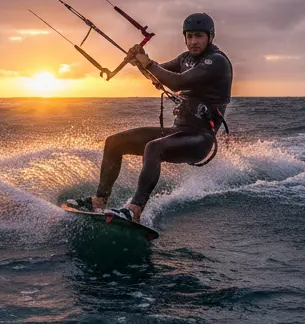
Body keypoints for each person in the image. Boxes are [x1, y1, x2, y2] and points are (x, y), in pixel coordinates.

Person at [69, 13, 232, 222]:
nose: (193, 42)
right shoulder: (186, 58)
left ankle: (135, 209)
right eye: (189, 36)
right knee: (114, 143)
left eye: (198, 36)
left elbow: (177, 82)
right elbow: (159, 72)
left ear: (210, 37)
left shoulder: (216, 61)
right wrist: (140, 60)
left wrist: (148, 64)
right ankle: (98, 201)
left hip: (200, 139)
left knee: (153, 148)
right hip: (178, 131)